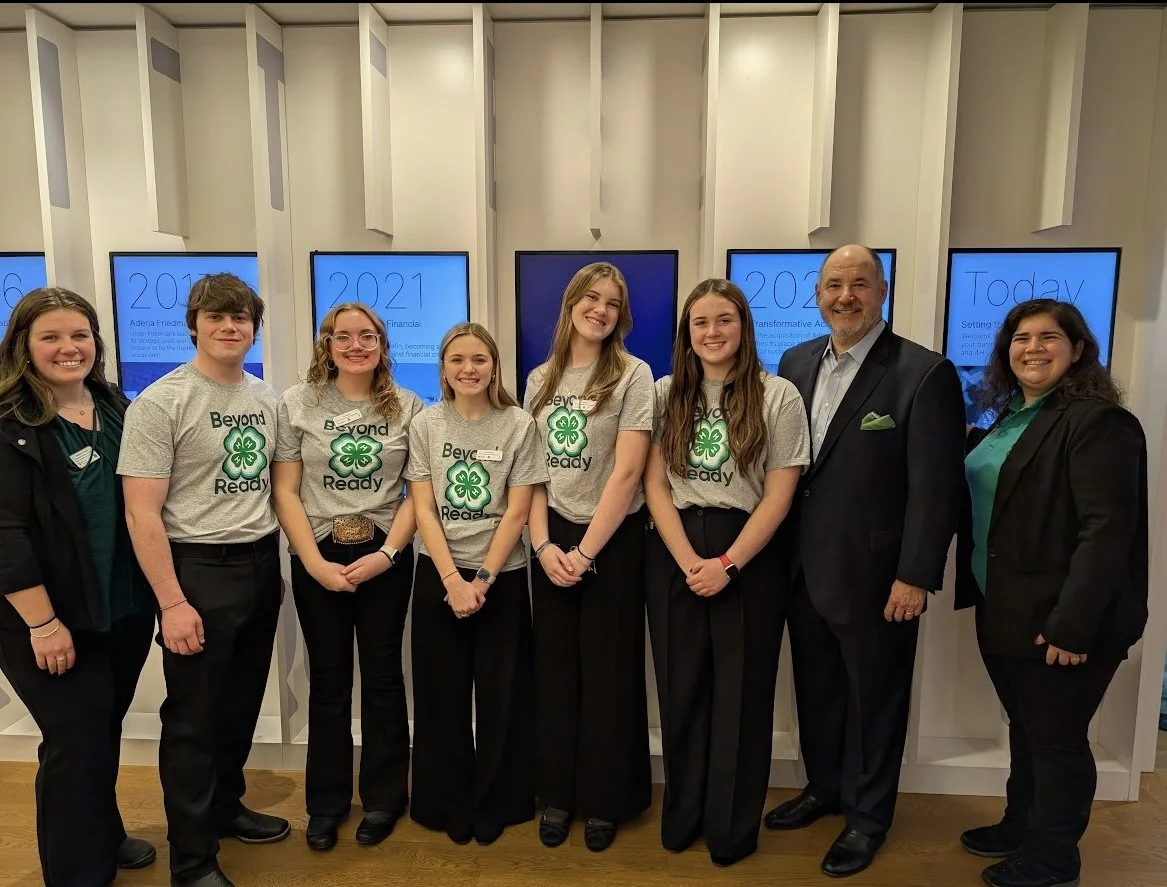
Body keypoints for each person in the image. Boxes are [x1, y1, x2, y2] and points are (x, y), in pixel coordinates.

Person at [765, 244, 966, 878]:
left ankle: (867, 818)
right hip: (801, 568)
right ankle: (825, 788)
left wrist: (915, 575)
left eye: (858, 283)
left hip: (880, 578)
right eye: (833, 285)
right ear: (818, 295)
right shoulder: (795, 362)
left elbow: (937, 489)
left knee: (875, 701)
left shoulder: (924, 373)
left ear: (882, 291)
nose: (845, 296)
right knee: (817, 691)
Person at [954, 299, 1148, 887]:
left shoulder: (1098, 422)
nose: (1033, 348)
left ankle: (1054, 858)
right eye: (1021, 338)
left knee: (1057, 740)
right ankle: (1021, 825)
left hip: (1064, 620)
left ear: (1078, 349)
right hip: (1006, 606)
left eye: (1048, 337)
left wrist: (1072, 625)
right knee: (1027, 726)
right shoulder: (1010, 417)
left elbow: (1106, 532)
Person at [119, 273, 288, 887]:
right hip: (195, 570)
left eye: (241, 318)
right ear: (193, 325)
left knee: (240, 704)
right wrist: (172, 602)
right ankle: (191, 861)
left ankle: (224, 808)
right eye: (216, 316)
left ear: (254, 328)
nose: (229, 327)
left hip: (260, 562)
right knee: (193, 719)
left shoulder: (265, 398)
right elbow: (141, 514)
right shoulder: (161, 402)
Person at [643, 278, 809, 867]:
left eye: (724, 320)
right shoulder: (664, 393)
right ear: (686, 333)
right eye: (700, 323)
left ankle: (731, 830)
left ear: (744, 326)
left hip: (749, 556)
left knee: (742, 696)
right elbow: (654, 484)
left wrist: (729, 564)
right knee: (681, 689)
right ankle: (683, 815)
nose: (712, 332)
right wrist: (688, 559)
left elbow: (780, 494)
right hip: (676, 551)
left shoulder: (778, 395)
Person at [0, 288, 157, 886]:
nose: (69, 348)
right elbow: (5, 534)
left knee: (102, 727)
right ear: (24, 345)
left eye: (79, 335)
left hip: (121, 606)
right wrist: (43, 624)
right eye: (51, 337)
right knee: (74, 739)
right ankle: (76, 873)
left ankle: (104, 834)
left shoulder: (115, 405)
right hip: (46, 617)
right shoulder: (10, 425)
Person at [274, 303, 423, 852]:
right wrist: (313, 563)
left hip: (384, 555)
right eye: (344, 336)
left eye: (367, 336)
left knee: (383, 676)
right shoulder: (297, 403)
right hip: (318, 554)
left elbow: (417, 493)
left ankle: (384, 798)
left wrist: (388, 554)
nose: (355, 345)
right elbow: (285, 490)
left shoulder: (407, 405)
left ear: (382, 345)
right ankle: (327, 803)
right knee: (329, 679)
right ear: (327, 344)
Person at [523, 263, 654, 852]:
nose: (600, 310)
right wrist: (544, 545)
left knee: (608, 675)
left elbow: (628, 473)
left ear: (620, 315)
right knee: (555, 673)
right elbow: (530, 473)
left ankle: (604, 800)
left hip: (612, 540)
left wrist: (584, 553)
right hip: (550, 540)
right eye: (591, 298)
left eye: (612, 303)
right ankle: (558, 795)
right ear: (571, 303)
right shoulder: (540, 378)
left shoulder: (633, 374)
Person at [405, 322, 548, 846]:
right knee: (440, 695)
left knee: (502, 695)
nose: (469, 369)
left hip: (501, 577)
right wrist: (452, 579)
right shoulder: (425, 424)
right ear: (443, 369)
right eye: (458, 360)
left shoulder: (519, 424)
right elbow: (422, 508)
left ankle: (497, 802)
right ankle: (446, 801)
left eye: (479, 360)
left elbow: (518, 510)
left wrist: (481, 579)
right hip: (438, 575)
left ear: (494, 368)